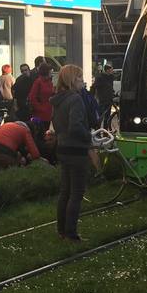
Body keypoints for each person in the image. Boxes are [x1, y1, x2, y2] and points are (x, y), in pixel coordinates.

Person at [51, 64, 93, 240]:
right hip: (76, 149)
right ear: (72, 80)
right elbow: (75, 126)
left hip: (63, 147)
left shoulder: (57, 100)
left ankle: (62, 230)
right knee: (76, 193)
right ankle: (71, 233)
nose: (83, 82)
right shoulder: (75, 99)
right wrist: (88, 138)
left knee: (65, 191)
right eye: (80, 78)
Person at [28, 61, 55, 138]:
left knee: (45, 133)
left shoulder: (50, 82)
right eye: (51, 71)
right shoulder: (38, 82)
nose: (52, 73)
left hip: (48, 112)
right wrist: (40, 108)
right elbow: (32, 97)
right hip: (40, 113)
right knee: (39, 134)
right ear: (47, 72)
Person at [93, 62, 116, 128]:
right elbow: (96, 86)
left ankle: (105, 131)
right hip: (102, 99)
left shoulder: (111, 77)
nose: (112, 71)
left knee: (107, 116)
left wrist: (112, 92)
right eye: (111, 70)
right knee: (101, 115)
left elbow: (111, 86)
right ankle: (98, 130)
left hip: (109, 99)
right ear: (107, 70)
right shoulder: (100, 77)